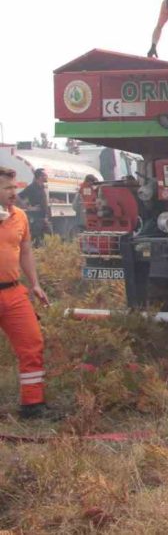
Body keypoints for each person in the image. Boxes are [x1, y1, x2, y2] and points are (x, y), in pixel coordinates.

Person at [0, 167, 52, 419]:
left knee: (32, 344)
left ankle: (33, 405)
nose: (13, 192)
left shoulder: (19, 216)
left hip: (13, 293)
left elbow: (26, 250)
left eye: (13, 187)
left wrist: (35, 284)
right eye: (7, 188)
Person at [17, 169, 50, 246]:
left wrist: (46, 216)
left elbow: (43, 202)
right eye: (45, 175)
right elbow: (18, 196)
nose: (46, 177)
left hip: (42, 218)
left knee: (45, 238)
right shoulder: (32, 187)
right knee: (35, 238)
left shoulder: (41, 187)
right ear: (40, 177)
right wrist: (27, 207)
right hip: (35, 218)